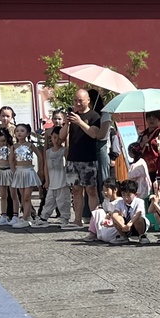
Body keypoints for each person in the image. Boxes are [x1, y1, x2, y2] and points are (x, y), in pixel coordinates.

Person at [66, 88, 110, 224]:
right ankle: (77, 219)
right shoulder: (73, 116)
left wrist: (80, 122)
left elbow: (95, 134)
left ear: (88, 100)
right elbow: (63, 136)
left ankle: (95, 221)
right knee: (76, 190)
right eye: (75, 100)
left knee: (91, 190)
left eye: (81, 100)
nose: (78, 103)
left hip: (88, 158)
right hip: (73, 158)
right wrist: (67, 123)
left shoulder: (95, 116)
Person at [89, 179, 148, 243]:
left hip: (137, 225)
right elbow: (115, 214)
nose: (126, 198)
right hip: (125, 228)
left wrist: (129, 224)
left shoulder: (139, 201)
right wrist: (123, 226)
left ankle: (142, 236)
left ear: (135, 194)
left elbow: (138, 213)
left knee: (139, 218)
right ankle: (123, 237)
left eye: (129, 195)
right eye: (124, 194)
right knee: (116, 217)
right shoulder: (120, 202)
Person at [6, 123, 40, 227]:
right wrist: (14, 171)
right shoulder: (14, 147)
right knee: (22, 197)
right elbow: (11, 160)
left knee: (27, 196)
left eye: (22, 131)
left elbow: (40, 156)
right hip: (19, 172)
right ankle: (27, 216)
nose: (19, 133)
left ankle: (25, 218)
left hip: (29, 171)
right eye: (17, 131)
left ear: (27, 133)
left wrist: (40, 170)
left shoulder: (30, 145)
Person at [37, 125, 71, 224]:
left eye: (59, 138)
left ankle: (64, 217)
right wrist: (47, 180)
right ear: (51, 137)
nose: (56, 140)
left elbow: (68, 162)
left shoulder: (64, 151)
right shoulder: (48, 152)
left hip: (62, 181)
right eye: (54, 137)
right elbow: (46, 167)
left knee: (63, 201)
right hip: (52, 181)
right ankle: (44, 217)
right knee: (49, 200)